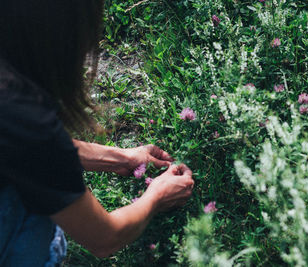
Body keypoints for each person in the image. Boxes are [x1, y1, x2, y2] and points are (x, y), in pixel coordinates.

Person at [0, 0, 194, 266]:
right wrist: (158, 195)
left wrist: (121, 158)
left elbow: (18, 146)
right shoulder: (25, 117)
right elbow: (105, 238)